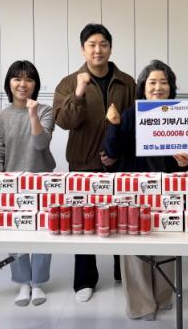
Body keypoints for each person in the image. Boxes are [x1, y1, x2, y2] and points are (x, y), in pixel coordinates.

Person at [103, 60, 188, 320]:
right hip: (134, 190)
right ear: (143, 87)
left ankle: (164, 298)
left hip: (168, 190)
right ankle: (141, 305)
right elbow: (111, 151)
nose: (158, 87)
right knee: (135, 248)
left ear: (171, 88)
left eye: (163, 82)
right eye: (152, 82)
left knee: (167, 241)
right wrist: (113, 125)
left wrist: (187, 161)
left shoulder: (180, 115)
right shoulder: (129, 115)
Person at [52, 23, 136, 302]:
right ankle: (85, 280)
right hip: (83, 164)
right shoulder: (68, 83)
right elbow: (64, 122)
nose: (98, 50)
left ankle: (123, 275)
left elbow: (134, 123)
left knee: (122, 219)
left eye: (103, 44)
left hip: (119, 163)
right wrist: (78, 92)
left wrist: (118, 152)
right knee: (83, 223)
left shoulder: (126, 82)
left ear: (110, 48)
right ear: (83, 49)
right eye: (92, 45)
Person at [0, 60, 56, 307]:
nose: (23, 84)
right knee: (16, 234)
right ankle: (22, 283)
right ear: (9, 83)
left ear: (35, 84)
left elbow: (41, 144)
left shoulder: (45, 111)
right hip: (12, 185)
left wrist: (32, 114)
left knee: (43, 233)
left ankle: (38, 283)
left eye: (29, 79)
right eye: (17, 78)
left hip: (42, 181)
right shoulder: (0, 118)